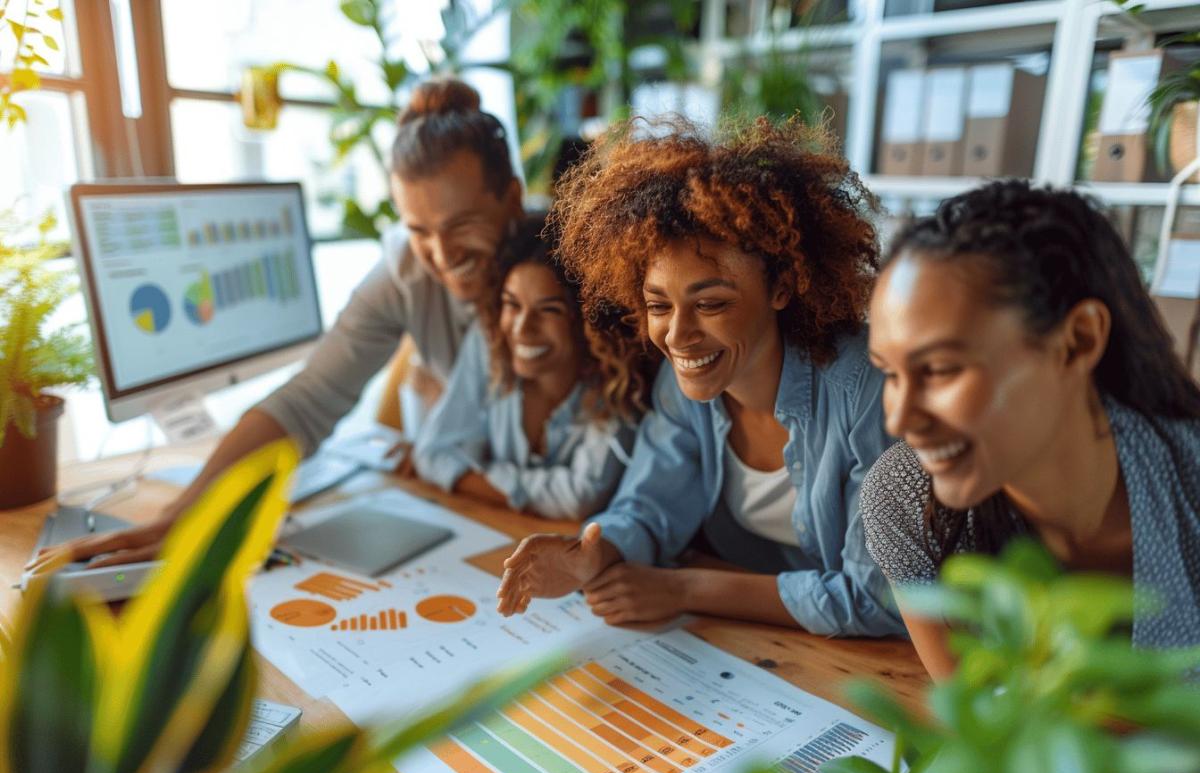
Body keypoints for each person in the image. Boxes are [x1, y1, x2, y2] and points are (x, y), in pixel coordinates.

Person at [31, 77, 526, 570]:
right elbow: (307, 401)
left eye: (461, 225)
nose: (442, 254)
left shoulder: (562, 264)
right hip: (484, 513)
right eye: (419, 230)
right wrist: (186, 513)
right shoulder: (407, 272)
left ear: (512, 198)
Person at [496, 117, 905, 637]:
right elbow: (649, 507)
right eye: (658, 305)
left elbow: (879, 598)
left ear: (782, 288)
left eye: (711, 304)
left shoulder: (866, 392)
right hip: (770, 642)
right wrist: (589, 557)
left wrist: (684, 589)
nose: (677, 336)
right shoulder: (685, 383)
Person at [860, 180, 1200, 679]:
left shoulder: (1187, 477)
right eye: (890, 374)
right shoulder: (904, 499)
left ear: (1078, 341)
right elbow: (976, 713)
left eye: (940, 370)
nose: (899, 419)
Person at [409, 217, 641, 519]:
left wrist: (479, 474)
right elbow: (433, 452)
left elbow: (581, 497)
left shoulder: (615, 380)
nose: (522, 328)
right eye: (512, 304)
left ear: (588, 322)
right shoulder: (489, 339)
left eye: (549, 310)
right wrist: (533, 494)